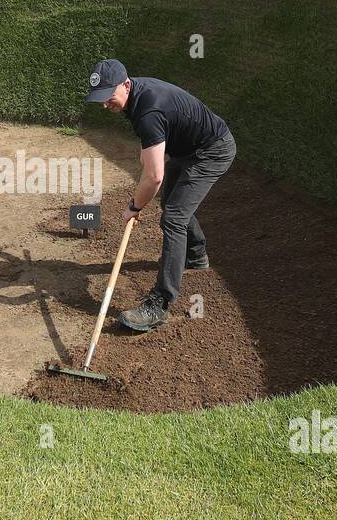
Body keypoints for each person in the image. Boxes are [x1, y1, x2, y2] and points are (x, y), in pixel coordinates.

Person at [84, 59, 236, 332]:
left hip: (212, 151)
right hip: (188, 149)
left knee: (174, 218)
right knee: (170, 204)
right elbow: (151, 154)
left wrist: (134, 206)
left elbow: (155, 176)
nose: (105, 105)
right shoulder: (136, 95)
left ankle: (160, 304)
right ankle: (196, 254)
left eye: (108, 97)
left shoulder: (147, 110)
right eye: (100, 99)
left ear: (126, 84)